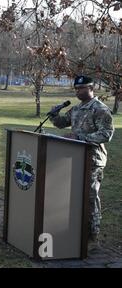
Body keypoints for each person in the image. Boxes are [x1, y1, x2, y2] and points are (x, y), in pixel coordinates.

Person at [49, 75, 114, 249]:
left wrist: (80, 137)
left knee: (90, 198)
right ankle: (74, 232)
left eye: (82, 88)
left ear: (91, 88)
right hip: (75, 158)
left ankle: (92, 238)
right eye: (76, 89)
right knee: (74, 197)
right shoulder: (77, 109)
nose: (78, 91)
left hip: (93, 160)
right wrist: (54, 116)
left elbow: (106, 134)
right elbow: (63, 123)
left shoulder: (100, 109)